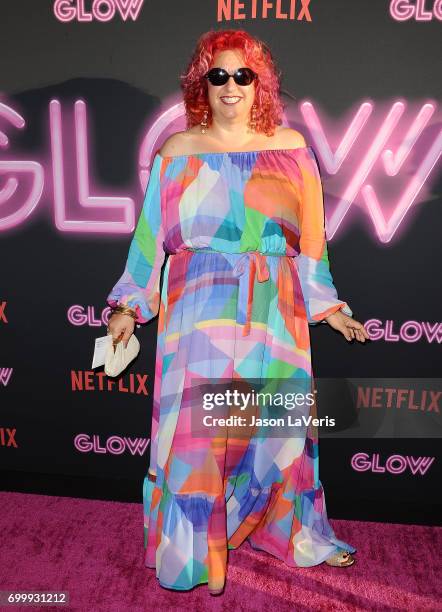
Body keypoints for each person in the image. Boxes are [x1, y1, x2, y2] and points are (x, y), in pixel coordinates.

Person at [106, 29, 369, 595]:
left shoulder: (292, 147)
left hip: (276, 311)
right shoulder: (177, 151)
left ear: (260, 84)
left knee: (281, 430)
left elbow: (314, 243)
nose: (230, 86)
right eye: (218, 75)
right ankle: (189, 552)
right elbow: (149, 240)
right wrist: (128, 305)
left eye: (242, 75)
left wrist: (327, 307)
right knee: (194, 438)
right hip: (196, 312)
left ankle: (298, 535)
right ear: (202, 84)